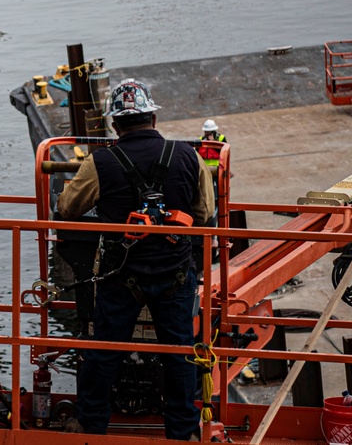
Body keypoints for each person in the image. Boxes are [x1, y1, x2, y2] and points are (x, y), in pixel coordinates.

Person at [57, 78, 215, 441]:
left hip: (121, 276)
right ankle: (183, 431)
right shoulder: (188, 155)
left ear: (115, 125)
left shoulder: (101, 162)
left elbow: (67, 208)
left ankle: (91, 424)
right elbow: (204, 213)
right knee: (179, 354)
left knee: (106, 350)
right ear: (153, 118)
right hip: (175, 274)